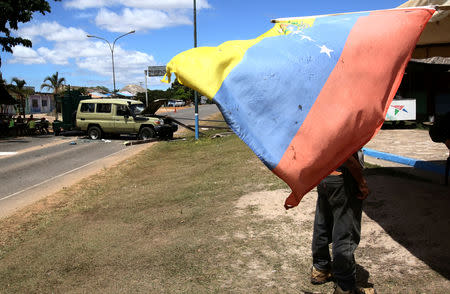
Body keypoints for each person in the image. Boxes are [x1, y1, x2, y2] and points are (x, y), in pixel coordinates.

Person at [310, 150, 374, 294]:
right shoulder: (341, 126)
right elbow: (348, 156)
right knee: (345, 231)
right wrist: (361, 182)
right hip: (342, 178)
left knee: (323, 223)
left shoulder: (319, 126)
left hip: (325, 175)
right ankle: (345, 286)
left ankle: (320, 269)